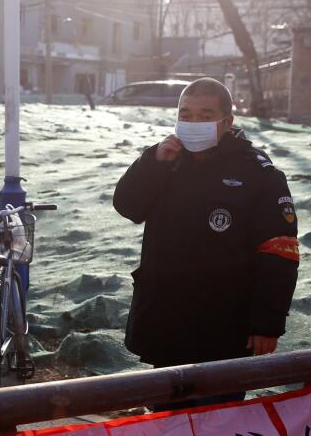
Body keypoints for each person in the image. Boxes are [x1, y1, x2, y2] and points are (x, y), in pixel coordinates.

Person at [113, 77, 299, 408]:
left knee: (218, 424)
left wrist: (267, 324)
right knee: (166, 424)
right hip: (166, 320)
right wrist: (152, 164)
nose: (193, 123)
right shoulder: (165, 160)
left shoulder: (258, 173)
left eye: (204, 115)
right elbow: (128, 206)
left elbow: (279, 251)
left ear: (226, 122)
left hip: (223, 325)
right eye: (186, 114)